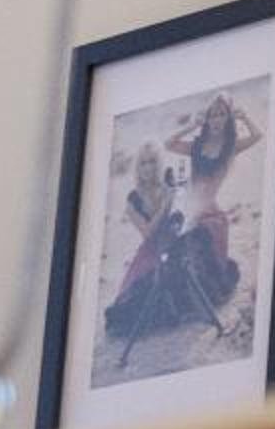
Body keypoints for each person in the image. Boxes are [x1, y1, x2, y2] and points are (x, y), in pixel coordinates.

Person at [102, 95, 264, 349]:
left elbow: (257, 136)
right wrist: (192, 125)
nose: (217, 119)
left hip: (207, 213)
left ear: (228, 117)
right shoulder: (196, 147)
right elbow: (169, 144)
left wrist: (243, 117)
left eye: (222, 114)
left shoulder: (230, 147)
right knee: (156, 275)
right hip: (184, 214)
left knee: (194, 253)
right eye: (212, 114)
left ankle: (197, 305)